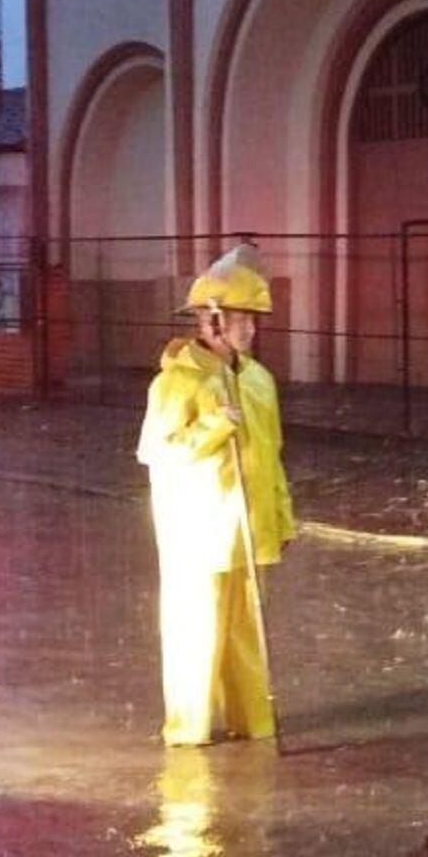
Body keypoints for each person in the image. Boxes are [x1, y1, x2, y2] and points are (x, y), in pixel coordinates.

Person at [138, 244, 296, 746]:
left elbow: (271, 455)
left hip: (249, 529)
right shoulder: (176, 383)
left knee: (245, 632)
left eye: (253, 319)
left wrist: (282, 516)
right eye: (240, 318)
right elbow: (159, 451)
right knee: (197, 632)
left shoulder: (259, 381)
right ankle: (190, 728)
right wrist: (212, 426)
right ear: (210, 321)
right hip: (200, 532)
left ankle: (254, 721)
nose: (250, 329)